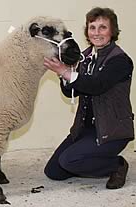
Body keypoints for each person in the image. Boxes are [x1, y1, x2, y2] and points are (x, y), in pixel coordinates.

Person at [43, 7, 134, 189]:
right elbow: (71, 92)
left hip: (111, 131)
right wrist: (63, 74)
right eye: (92, 27)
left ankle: (116, 165)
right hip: (85, 129)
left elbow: (97, 85)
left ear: (112, 31)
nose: (97, 33)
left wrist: (66, 72)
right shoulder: (84, 57)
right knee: (54, 171)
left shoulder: (121, 61)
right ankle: (88, 158)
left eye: (103, 27)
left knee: (70, 161)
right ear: (87, 31)